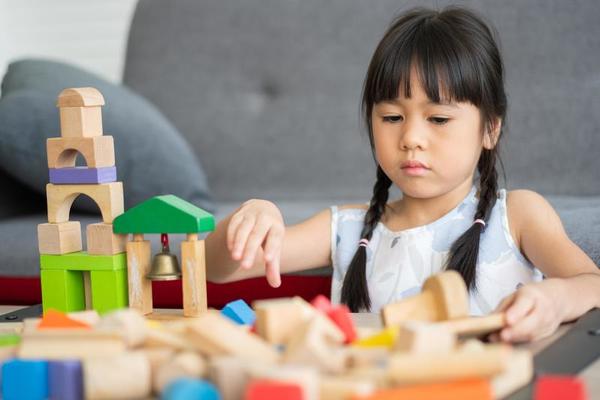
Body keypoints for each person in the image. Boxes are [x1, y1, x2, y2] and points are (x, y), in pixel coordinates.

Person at [204, 6, 600, 343]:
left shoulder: (518, 216)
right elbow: (215, 269)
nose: (410, 138)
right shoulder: (348, 228)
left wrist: (556, 299)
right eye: (391, 117)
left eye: (439, 118)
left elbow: (592, 283)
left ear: (490, 129)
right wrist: (249, 218)